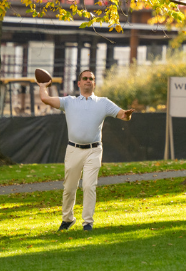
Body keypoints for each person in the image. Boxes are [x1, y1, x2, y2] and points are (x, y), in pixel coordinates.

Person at [38, 69, 134, 231]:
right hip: (73, 149)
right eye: (85, 78)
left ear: (94, 83)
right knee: (69, 188)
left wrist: (128, 114)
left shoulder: (103, 103)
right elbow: (45, 98)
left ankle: (88, 222)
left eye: (91, 78)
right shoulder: (69, 101)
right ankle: (67, 219)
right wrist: (42, 85)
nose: (88, 80)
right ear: (79, 83)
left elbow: (123, 116)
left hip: (94, 150)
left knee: (89, 186)